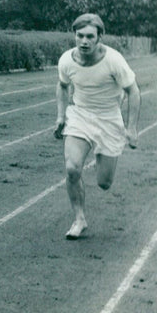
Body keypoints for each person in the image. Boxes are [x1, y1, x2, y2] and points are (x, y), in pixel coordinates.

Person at [54, 13, 140, 240]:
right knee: (72, 169)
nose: (84, 41)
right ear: (74, 35)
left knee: (104, 183)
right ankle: (79, 219)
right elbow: (62, 86)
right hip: (80, 115)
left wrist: (131, 128)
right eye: (80, 35)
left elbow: (134, 91)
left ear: (99, 37)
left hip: (109, 119)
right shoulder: (66, 60)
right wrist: (61, 116)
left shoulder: (114, 60)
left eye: (90, 36)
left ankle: (104, 153)